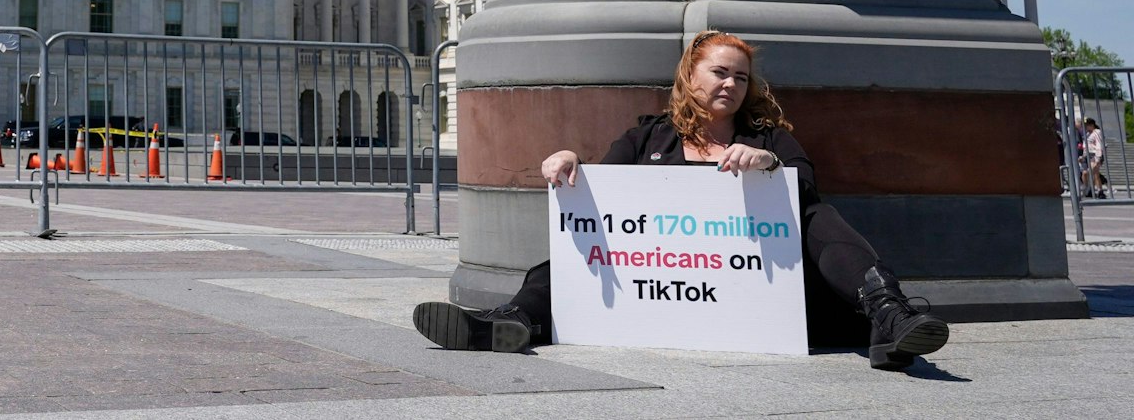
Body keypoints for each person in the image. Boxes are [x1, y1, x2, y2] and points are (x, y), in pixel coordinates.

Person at [414, 30, 951, 372]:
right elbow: (603, 189)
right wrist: (568, 159)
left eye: (741, 77)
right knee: (571, 262)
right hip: (659, 284)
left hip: (763, 290)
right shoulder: (649, 137)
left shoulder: (769, 138)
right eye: (720, 72)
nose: (731, 84)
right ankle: (508, 324)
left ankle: (890, 314)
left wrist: (769, 166)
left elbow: (804, 186)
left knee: (818, 215)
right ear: (689, 76)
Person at [1082, 118, 1107, 199]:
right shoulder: (1087, 134)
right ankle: (1089, 189)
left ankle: (1099, 191)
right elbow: (1086, 146)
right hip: (1087, 155)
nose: (1085, 127)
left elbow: (1099, 145)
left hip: (1095, 155)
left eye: (1087, 125)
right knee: (1086, 173)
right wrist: (1083, 156)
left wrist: (1098, 158)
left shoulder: (1097, 132)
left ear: (1091, 125)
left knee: (1094, 172)